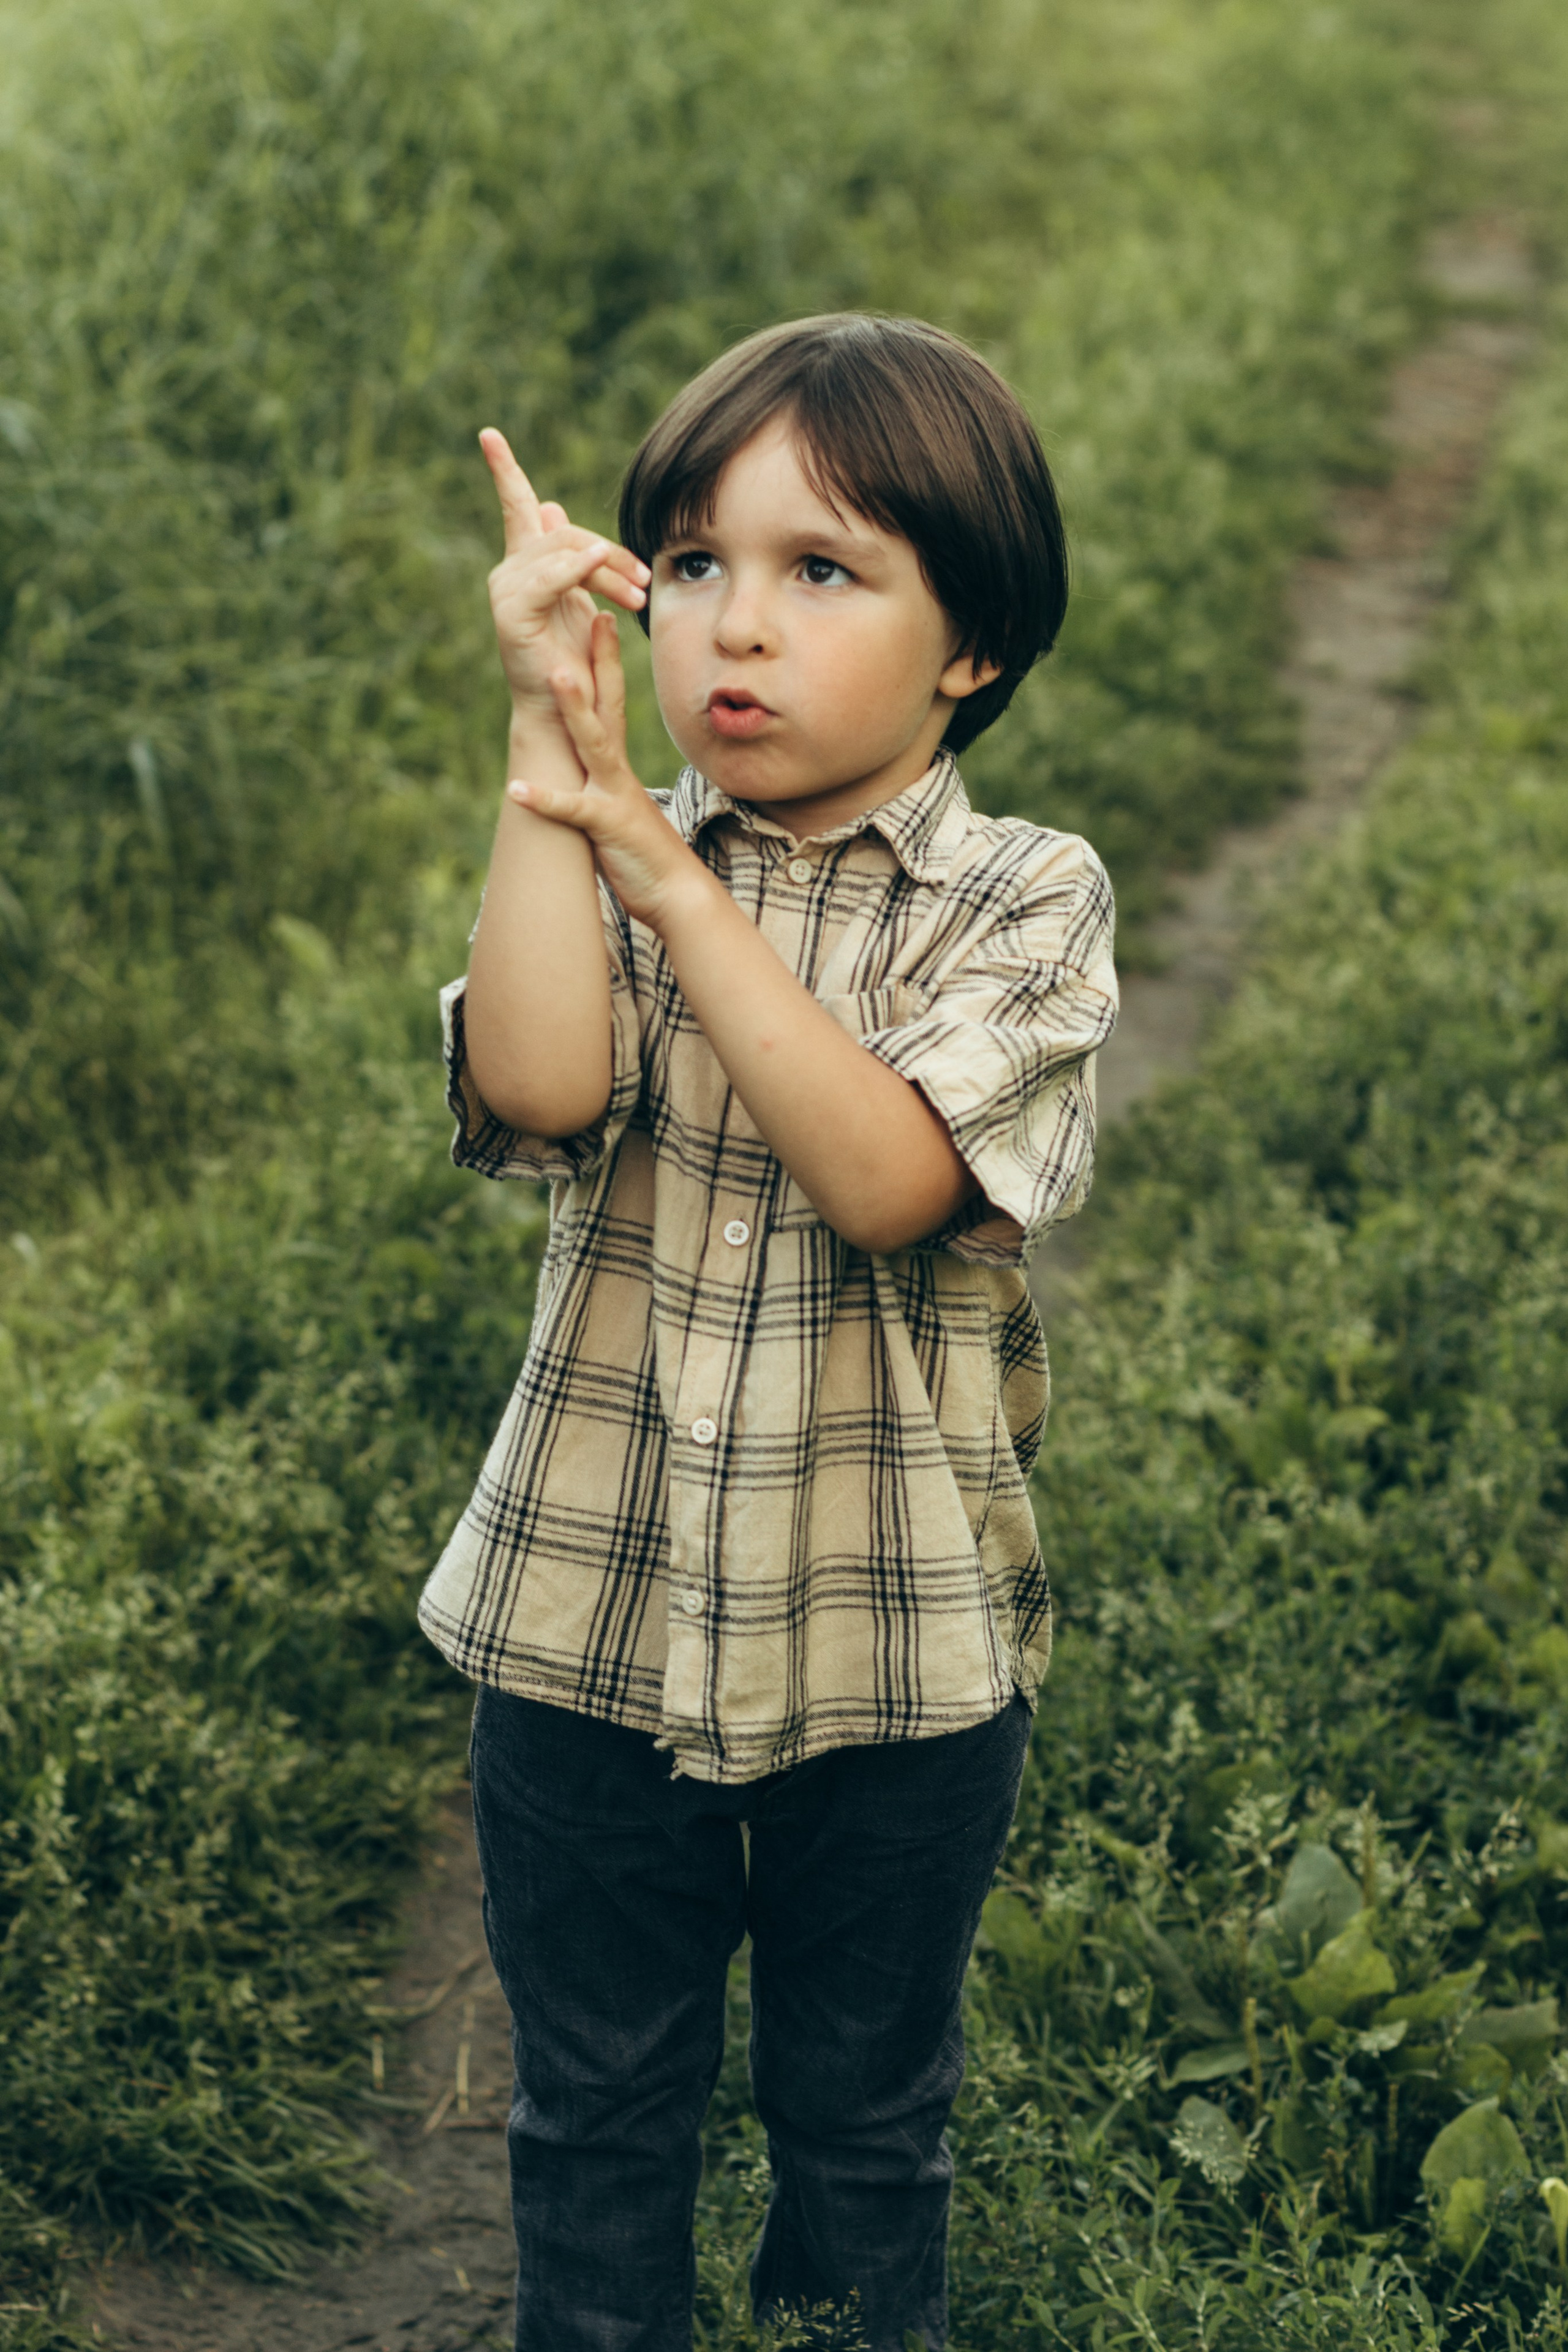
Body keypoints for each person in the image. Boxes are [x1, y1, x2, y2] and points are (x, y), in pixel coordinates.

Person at [419, 312, 1117, 2351]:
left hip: (891, 1653)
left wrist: (685, 899)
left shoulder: (1022, 898)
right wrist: (555, 772)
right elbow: (543, 1088)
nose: (738, 628)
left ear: (968, 643)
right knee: (595, 2114)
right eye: (695, 564)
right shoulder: (615, 842)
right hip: (582, 1630)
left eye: (825, 573)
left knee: (863, 2119)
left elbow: (892, 1180)